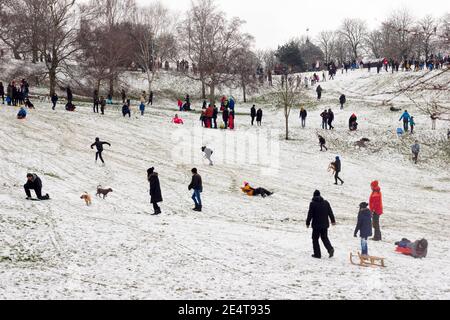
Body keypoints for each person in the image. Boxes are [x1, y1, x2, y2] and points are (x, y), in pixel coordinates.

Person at [306, 190, 336, 259]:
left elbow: (310, 214)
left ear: (313, 196)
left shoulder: (312, 204)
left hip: (316, 225)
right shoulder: (326, 203)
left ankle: (317, 254)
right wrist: (333, 220)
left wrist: (307, 223)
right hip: (325, 224)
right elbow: (330, 212)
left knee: (315, 239)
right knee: (324, 237)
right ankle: (330, 249)